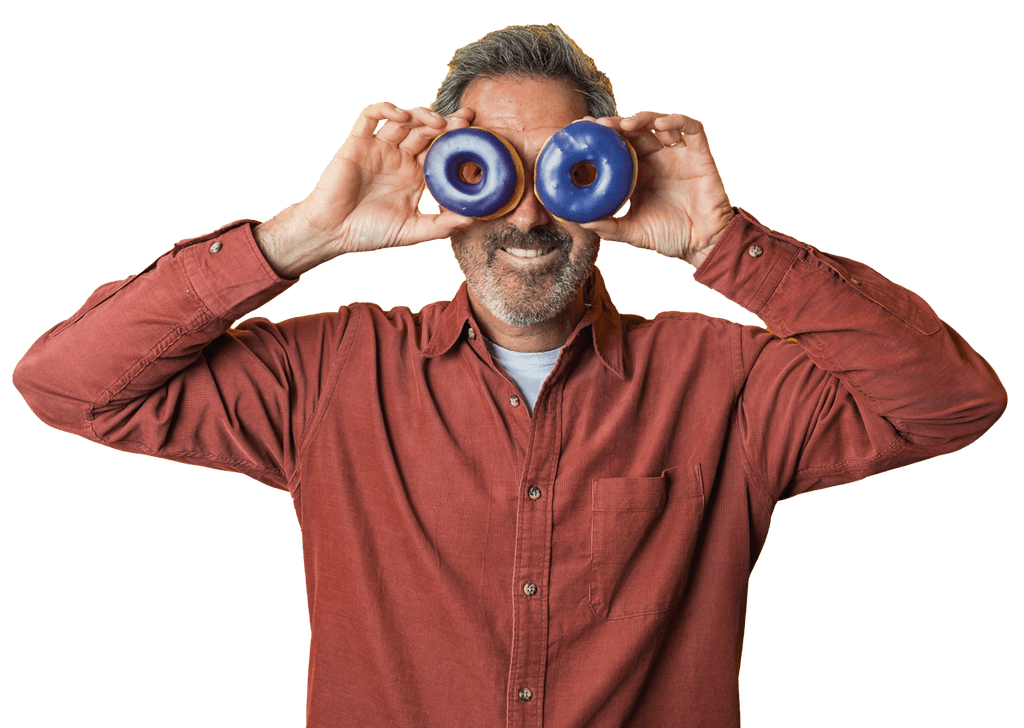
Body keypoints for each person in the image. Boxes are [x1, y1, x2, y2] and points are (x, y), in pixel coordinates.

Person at [12, 22, 1006, 728]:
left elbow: (952, 403)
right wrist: (303, 235)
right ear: (443, 180)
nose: (528, 216)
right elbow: (68, 385)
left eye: (564, 174)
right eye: (489, 172)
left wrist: (723, 246)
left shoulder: (726, 383)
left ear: (614, 182)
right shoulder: (330, 376)